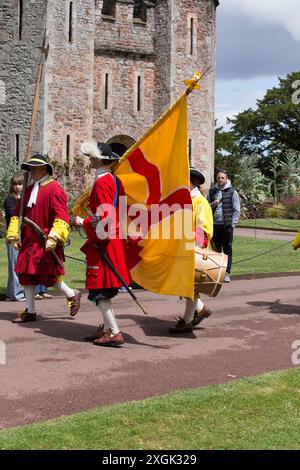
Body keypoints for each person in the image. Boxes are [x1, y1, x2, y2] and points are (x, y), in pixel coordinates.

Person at [6, 154, 81, 322]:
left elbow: (61, 216)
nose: (31, 171)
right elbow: (18, 214)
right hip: (29, 240)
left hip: (45, 239)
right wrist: (13, 234)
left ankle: (71, 294)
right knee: (26, 275)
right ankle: (30, 311)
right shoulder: (29, 189)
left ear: (44, 169)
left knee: (48, 276)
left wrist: (55, 237)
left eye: (34, 168)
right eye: (30, 168)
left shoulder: (54, 188)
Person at [75, 140, 131, 348]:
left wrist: (84, 222)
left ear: (98, 159)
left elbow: (103, 217)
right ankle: (107, 327)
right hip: (113, 240)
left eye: (91, 157)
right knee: (104, 289)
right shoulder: (114, 180)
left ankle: (114, 332)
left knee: (100, 291)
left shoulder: (101, 182)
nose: (90, 160)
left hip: (104, 242)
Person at [169, 167, 214, 334]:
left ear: (191, 182)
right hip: (184, 248)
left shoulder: (200, 202)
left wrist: (191, 248)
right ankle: (201, 309)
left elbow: (203, 231)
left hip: (194, 250)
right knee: (187, 286)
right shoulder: (185, 199)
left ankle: (187, 322)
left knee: (190, 287)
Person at [207, 168, 240, 283]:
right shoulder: (212, 192)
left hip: (227, 226)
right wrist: (213, 204)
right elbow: (206, 208)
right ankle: (216, 274)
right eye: (218, 178)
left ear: (226, 179)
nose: (220, 179)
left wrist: (232, 225)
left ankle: (226, 273)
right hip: (214, 225)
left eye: (222, 178)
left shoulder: (232, 192)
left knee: (227, 250)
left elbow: (237, 210)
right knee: (216, 250)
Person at [4, 173, 25, 301]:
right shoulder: (9, 200)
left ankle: (10, 293)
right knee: (14, 264)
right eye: (15, 184)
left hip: (24, 234)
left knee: (19, 264)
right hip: (13, 235)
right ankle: (17, 293)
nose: (18, 187)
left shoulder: (24, 198)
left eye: (20, 184)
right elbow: (14, 214)